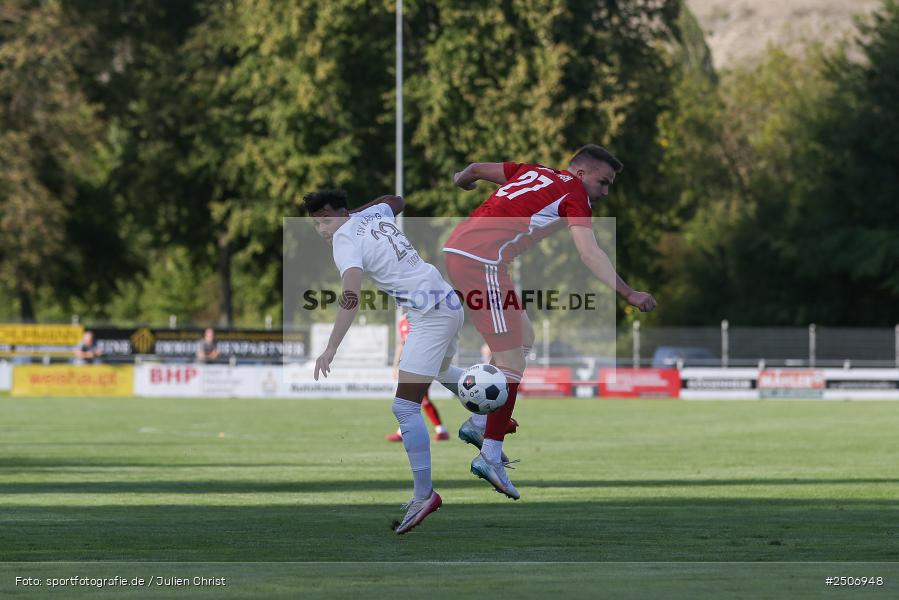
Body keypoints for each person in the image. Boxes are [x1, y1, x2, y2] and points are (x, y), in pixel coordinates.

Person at [445, 144, 657, 500]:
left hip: (468, 253)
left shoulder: (533, 170)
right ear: (581, 174)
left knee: (524, 338)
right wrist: (628, 293)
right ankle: (489, 455)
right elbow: (589, 252)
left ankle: (481, 423)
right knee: (512, 361)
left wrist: (462, 178)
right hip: (481, 261)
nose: (605, 192)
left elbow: (477, 168)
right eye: (603, 182)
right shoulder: (574, 194)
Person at [306, 189, 467, 534]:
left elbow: (351, 297)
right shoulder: (371, 215)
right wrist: (357, 215)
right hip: (449, 302)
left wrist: (331, 346)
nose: (322, 227)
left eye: (326, 218)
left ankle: (424, 495)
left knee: (405, 408)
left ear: (341, 214)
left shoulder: (343, 241)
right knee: (441, 372)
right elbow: (395, 200)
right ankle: (494, 415)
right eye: (316, 222)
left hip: (430, 314)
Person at [385, 314, 450, 442]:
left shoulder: (424, 319)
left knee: (410, 399)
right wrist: (395, 365)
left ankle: (403, 433)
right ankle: (441, 431)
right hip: (411, 365)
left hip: (424, 364)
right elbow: (401, 344)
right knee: (420, 399)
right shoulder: (402, 320)